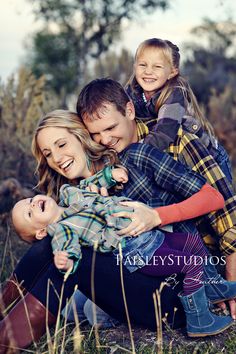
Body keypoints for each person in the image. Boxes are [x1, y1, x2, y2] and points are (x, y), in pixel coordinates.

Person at [0, 110, 228, 351]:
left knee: (74, 258)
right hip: (132, 285)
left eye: (62, 144)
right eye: (48, 154)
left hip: (172, 293)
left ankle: (4, 342)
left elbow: (215, 198)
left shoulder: (131, 162)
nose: (56, 157)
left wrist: (156, 216)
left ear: (81, 136)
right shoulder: (72, 198)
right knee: (53, 240)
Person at [76, 77, 236, 316]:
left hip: (199, 254)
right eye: (96, 134)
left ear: (129, 110)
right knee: (78, 307)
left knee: (94, 313)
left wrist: (231, 281)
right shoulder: (104, 157)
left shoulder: (177, 141)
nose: (105, 139)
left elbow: (227, 212)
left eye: (110, 128)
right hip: (144, 257)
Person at [12, 183, 236, 337]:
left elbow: (93, 182)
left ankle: (212, 288)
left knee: (191, 242)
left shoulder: (72, 197)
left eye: (30, 200)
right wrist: (67, 260)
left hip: (151, 236)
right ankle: (200, 321)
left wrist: (110, 176)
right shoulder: (62, 229)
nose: (32, 204)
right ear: (41, 232)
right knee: (191, 263)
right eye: (29, 213)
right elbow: (66, 245)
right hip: (137, 252)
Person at [126, 38, 232, 183]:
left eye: (157, 66)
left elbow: (164, 133)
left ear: (172, 72)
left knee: (220, 199)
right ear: (135, 67)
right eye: (143, 65)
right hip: (180, 155)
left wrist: (134, 152)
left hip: (209, 157)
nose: (148, 71)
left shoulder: (174, 94)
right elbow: (119, 114)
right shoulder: (132, 91)